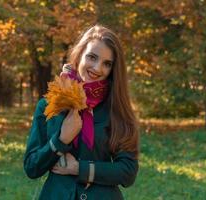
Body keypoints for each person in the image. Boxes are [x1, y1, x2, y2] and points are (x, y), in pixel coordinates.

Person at [23, 24, 139, 200]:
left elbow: (128, 171)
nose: (97, 68)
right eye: (92, 57)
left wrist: (80, 168)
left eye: (107, 64)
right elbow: (32, 167)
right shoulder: (48, 105)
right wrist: (61, 140)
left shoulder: (117, 108)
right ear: (79, 55)